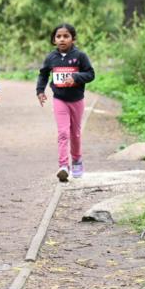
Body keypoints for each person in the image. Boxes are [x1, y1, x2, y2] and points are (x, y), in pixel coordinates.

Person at [36, 23, 95, 182]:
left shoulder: (80, 56)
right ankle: (63, 166)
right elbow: (43, 75)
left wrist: (75, 77)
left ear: (73, 39)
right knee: (63, 133)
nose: (62, 39)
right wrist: (40, 91)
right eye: (58, 36)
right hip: (59, 99)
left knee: (75, 133)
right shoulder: (51, 58)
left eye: (66, 36)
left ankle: (76, 160)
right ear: (54, 40)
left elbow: (90, 74)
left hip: (76, 100)